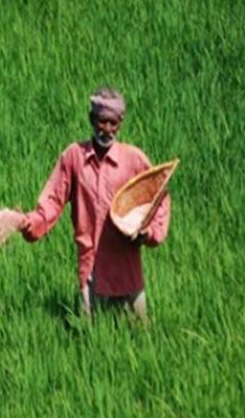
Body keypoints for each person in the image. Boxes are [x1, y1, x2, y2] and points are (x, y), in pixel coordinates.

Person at [18, 87, 171, 322]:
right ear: (91, 119)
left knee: (139, 333)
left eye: (113, 123)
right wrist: (30, 223)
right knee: (89, 332)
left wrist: (149, 233)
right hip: (91, 269)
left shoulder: (133, 159)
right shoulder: (74, 157)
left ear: (120, 123)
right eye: (101, 121)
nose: (106, 129)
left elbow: (159, 196)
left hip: (127, 269)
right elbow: (53, 200)